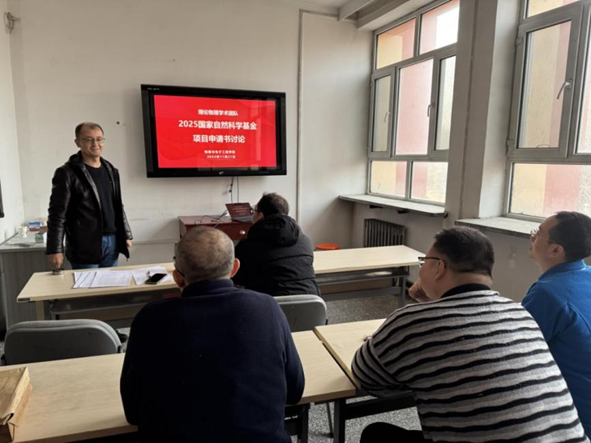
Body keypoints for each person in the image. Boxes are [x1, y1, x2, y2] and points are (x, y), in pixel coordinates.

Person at [352, 227, 588, 443]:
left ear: (439, 267)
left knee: (376, 433)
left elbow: (365, 375)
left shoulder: (410, 320)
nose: (421, 269)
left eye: (423, 262)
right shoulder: (520, 313)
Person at [120, 227, 305, 442]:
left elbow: (132, 411)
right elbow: (295, 391)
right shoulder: (267, 307)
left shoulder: (149, 319)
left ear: (177, 278)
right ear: (235, 268)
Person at [523, 211, 591, 436]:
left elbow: (515, 352)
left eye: (538, 233)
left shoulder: (548, 293)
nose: (532, 236)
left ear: (555, 250)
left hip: (573, 420)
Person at [46, 122, 132, 269]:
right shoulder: (66, 173)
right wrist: (55, 249)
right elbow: (57, 214)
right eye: (88, 139)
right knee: (89, 285)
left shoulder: (111, 170)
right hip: (84, 245)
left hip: (113, 242)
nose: (95, 144)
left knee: (111, 284)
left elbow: (117, 205)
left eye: (99, 139)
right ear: (77, 142)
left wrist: (126, 234)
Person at [232, 192, 319, 296]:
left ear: (261, 215)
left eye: (254, 211)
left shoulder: (247, 245)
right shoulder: (304, 241)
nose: (252, 216)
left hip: (269, 304)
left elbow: (234, 275)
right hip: (310, 301)